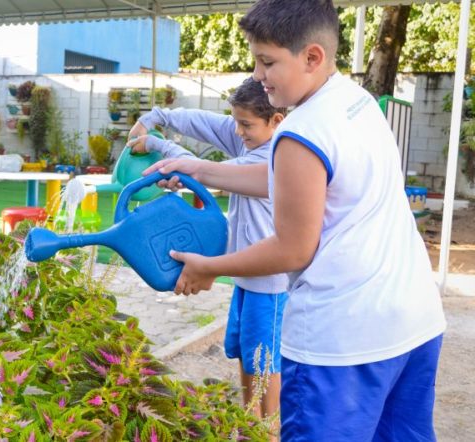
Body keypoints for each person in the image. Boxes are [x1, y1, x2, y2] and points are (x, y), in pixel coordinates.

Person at [142, 0, 446, 440]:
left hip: (344, 339)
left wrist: (210, 266)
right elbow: (294, 184)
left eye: (267, 62)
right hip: (413, 322)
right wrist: (198, 169)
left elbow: (292, 248)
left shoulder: (301, 129)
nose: (258, 75)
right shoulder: (356, 102)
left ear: (312, 57)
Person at [127, 77, 289, 424]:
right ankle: (251, 425)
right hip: (246, 280)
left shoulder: (273, 159)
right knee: (248, 356)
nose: (238, 131)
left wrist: (159, 146)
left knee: (266, 364)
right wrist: (157, 116)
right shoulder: (249, 139)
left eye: (246, 124)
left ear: (277, 121)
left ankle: (271, 429)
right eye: (236, 122)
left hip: (271, 286)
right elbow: (201, 122)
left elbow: (205, 172)